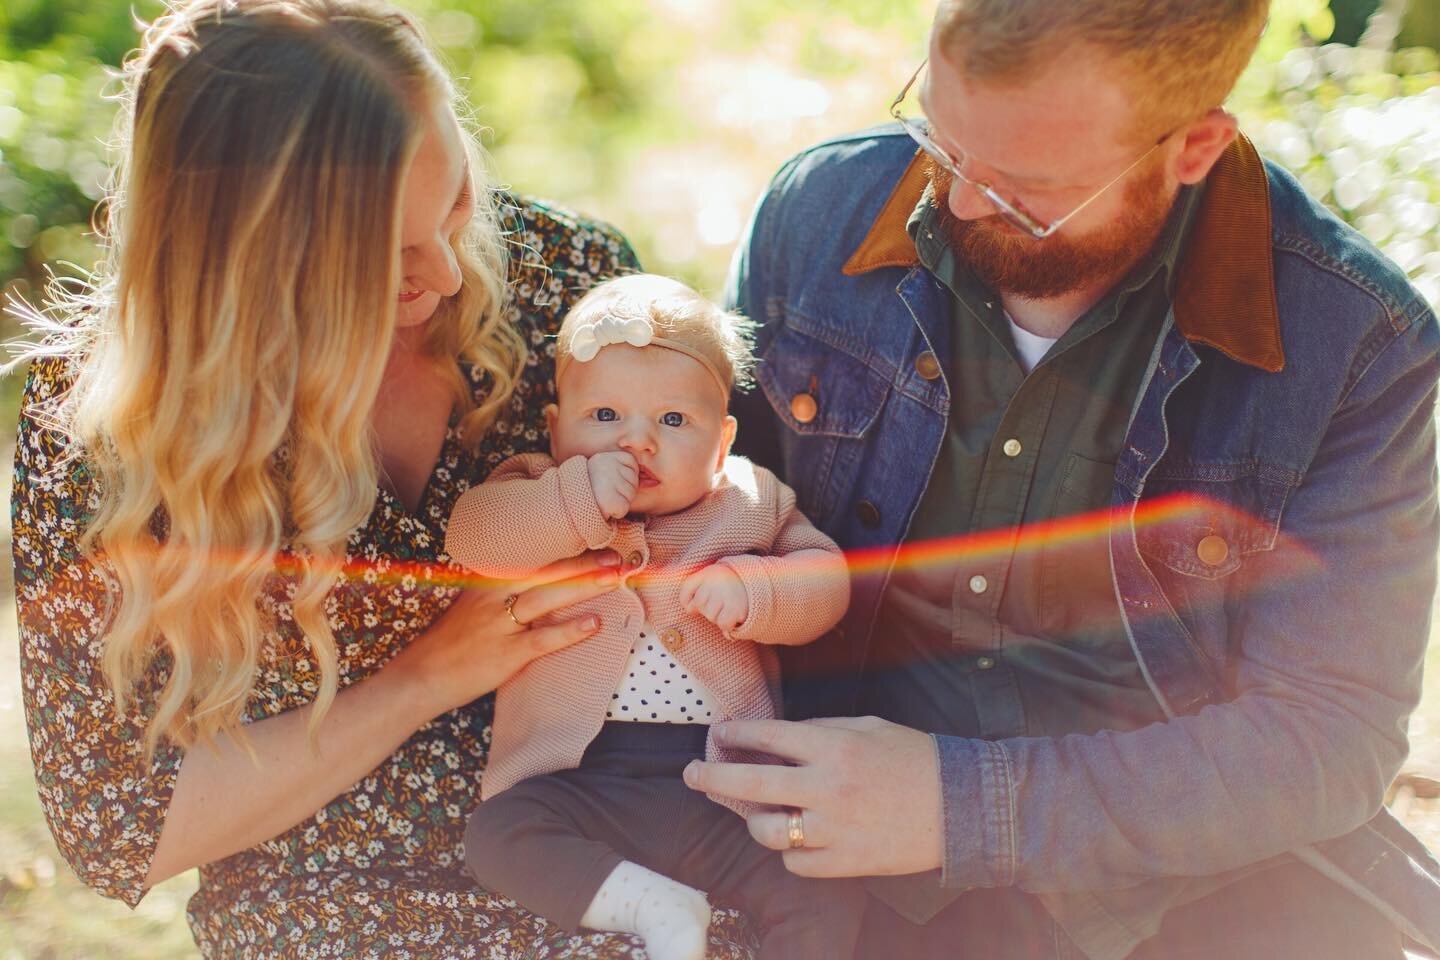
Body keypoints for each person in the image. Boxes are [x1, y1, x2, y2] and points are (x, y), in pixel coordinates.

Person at [8, 1, 765, 956]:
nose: (450, 274)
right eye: (384, 258)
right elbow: (124, 828)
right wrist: (425, 677)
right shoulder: (106, 428)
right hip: (337, 904)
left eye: (454, 205)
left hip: (628, 832)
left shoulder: (565, 282)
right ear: (244, 268)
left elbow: (714, 517)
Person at [687, 0, 1440, 957]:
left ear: (1195, 146)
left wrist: (961, 809)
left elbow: (1330, 739)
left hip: (1188, 896)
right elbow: (711, 511)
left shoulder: (1358, 338)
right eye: (942, 138)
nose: (955, 201)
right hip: (818, 864)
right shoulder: (817, 211)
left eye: (1022, 187)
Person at [449, 274, 865, 960]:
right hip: (578, 782)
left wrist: (755, 588)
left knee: (826, 882)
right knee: (497, 836)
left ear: (723, 441)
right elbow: (474, 539)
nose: (637, 442)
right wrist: (574, 499)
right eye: (604, 417)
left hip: (724, 787)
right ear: (556, 428)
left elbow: (826, 584)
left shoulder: (750, 502)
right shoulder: (532, 489)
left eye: (673, 421)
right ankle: (651, 903)